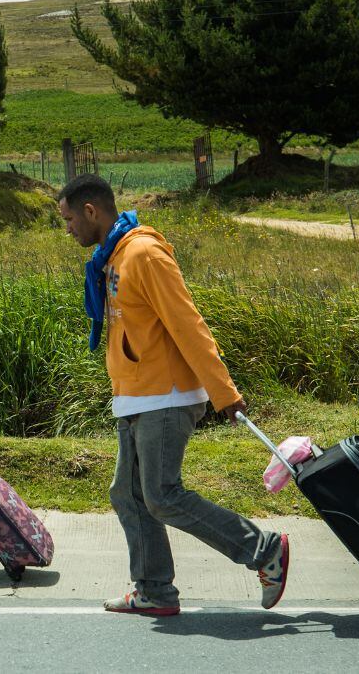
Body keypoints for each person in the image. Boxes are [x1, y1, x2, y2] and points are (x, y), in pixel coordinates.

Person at [56, 175, 289, 616]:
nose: (67, 229)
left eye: (68, 219)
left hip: (166, 395)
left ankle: (264, 550)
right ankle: (155, 591)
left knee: (162, 495)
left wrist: (224, 391)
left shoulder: (143, 253)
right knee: (128, 495)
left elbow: (187, 323)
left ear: (90, 211)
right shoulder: (113, 256)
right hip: (136, 395)